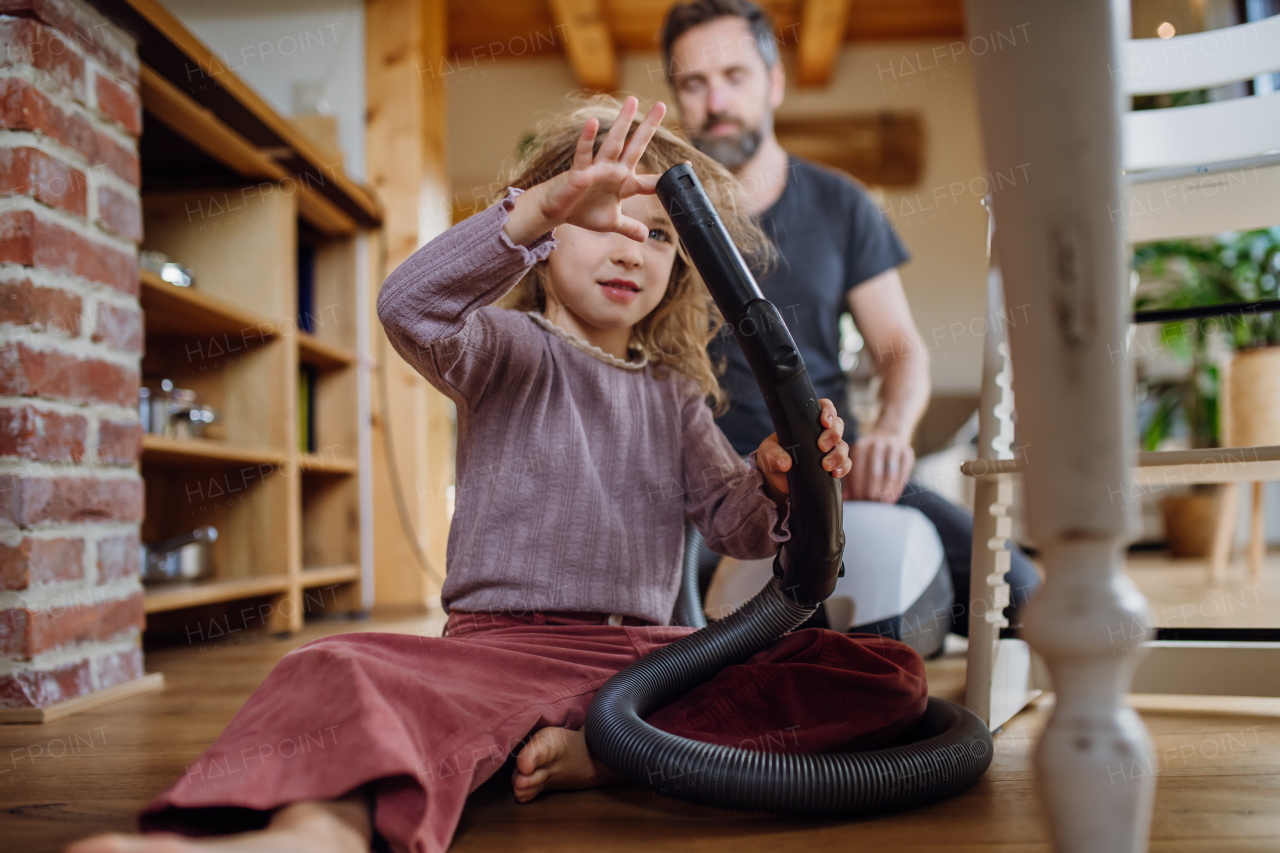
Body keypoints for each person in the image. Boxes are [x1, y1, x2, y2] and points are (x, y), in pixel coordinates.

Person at [67, 97, 930, 853]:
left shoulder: (672, 397)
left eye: (661, 236)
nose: (632, 247)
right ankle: (309, 835)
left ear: (678, 275)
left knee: (875, 671)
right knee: (332, 668)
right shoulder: (499, 350)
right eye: (600, 218)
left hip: (644, 661)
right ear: (548, 236)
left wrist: (775, 482)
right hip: (503, 651)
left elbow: (732, 524)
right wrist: (531, 208)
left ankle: (602, 749)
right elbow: (408, 306)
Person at [660, 0, 1041, 636]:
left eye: (735, 76)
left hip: (834, 468)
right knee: (684, 643)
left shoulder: (842, 204)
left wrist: (893, 431)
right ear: (675, 95)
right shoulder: (660, 218)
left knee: (1025, 596)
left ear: (774, 81)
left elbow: (900, 348)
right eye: (694, 84)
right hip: (706, 491)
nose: (716, 101)